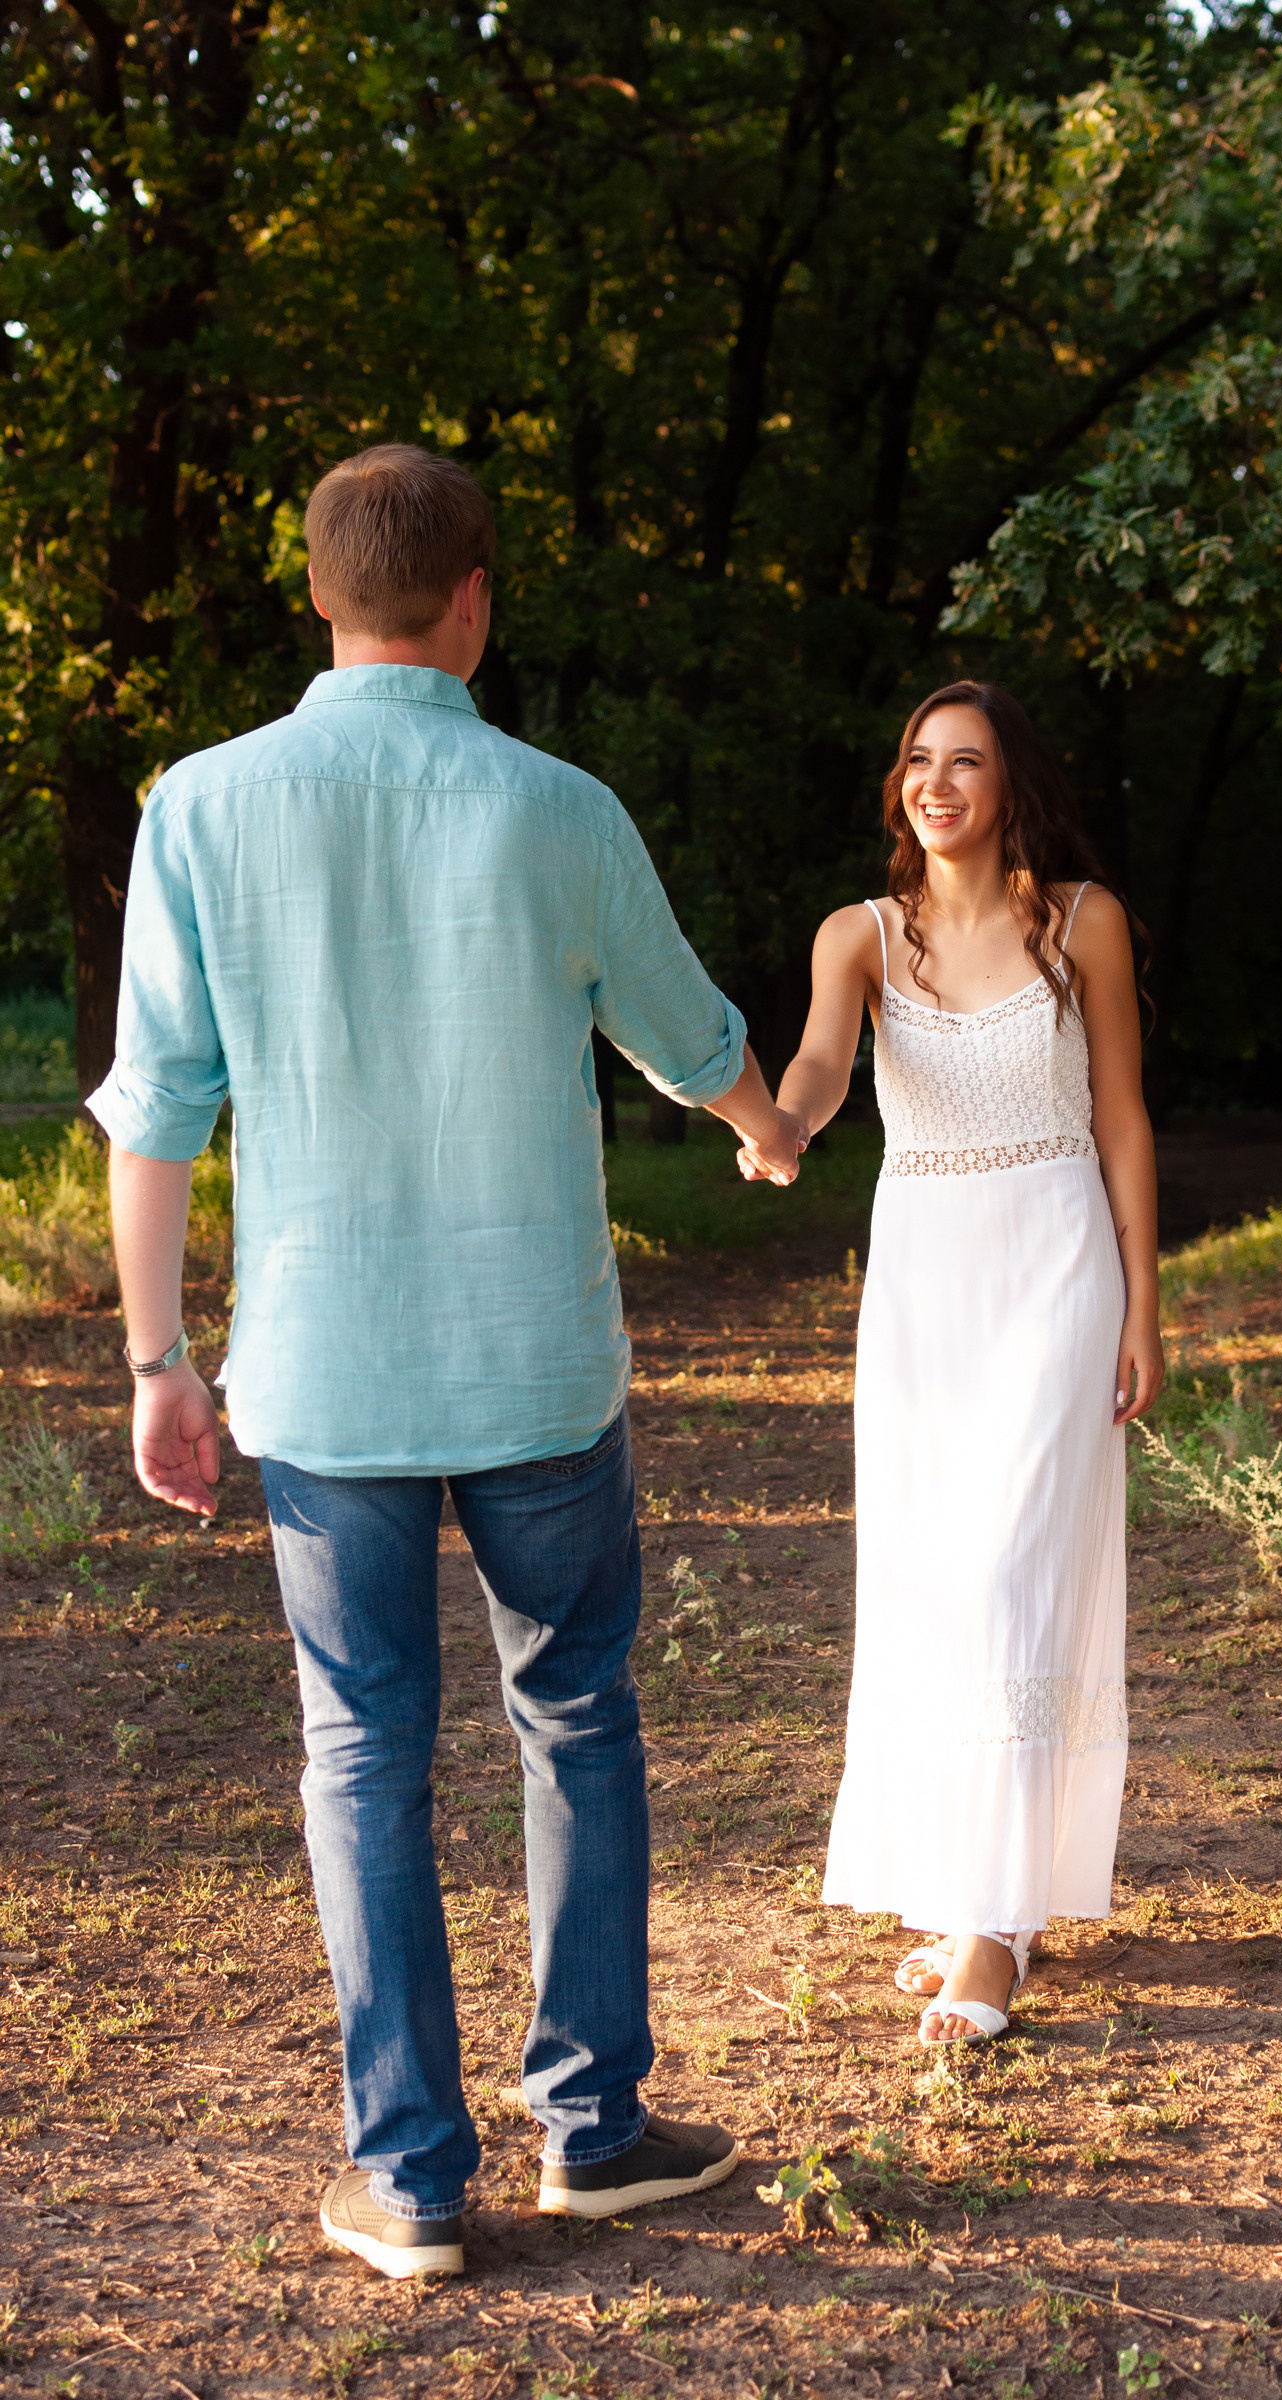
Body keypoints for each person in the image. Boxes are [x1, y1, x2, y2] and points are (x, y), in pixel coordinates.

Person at [89, 444, 803, 2277]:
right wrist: (769, 1127)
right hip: (533, 1366)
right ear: (473, 599)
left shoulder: (202, 806)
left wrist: (159, 1359)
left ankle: (407, 2174)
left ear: (318, 596)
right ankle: (596, 2128)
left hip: (322, 1375)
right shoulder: (558, 809)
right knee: (577, 1718)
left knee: (361, 1749)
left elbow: (156, 1111)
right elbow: (683, 1034)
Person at [744, 681, 1161, 2043]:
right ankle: (978, 1888)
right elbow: (817, 1065)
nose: (935, 781)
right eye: (917, 758)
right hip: (923, 1283)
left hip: (1057, 1268)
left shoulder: (1084, 923)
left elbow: (1120, 1118)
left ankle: (992, 1933)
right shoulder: (857, 936)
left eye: (964, 760)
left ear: (1008, 782)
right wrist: (782, 1127)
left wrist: (1144, 1305)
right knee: (935, 1583)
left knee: (1011, 1575)